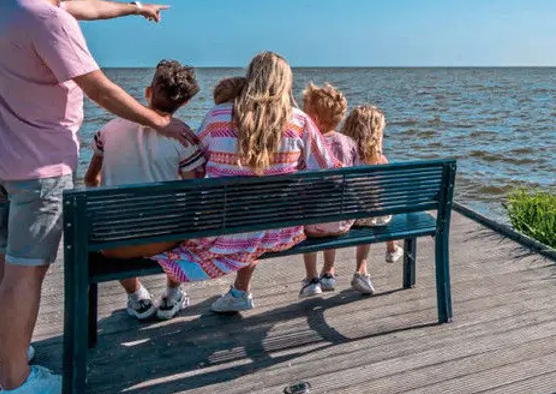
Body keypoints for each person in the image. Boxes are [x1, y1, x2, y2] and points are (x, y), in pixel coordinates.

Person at [0, 0, 197, 394]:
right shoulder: (49, 22)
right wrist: (160, 121)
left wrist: (136, 7)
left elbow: (88, 7)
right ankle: (13, 385)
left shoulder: (0, 7)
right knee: (25, 271)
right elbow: (98, 88)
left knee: (1, 258)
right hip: (37, 166)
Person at [151, 51, 337, 312]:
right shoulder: (299, 121)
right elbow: (329, 170)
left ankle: (173, 294)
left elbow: (197, 164)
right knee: (258, 216)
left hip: (222, 229)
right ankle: (240, 291)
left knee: (223, 216)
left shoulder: (217, 116)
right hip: (281, 231)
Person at [83, 60, 207, 321]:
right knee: (187, 224)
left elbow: (90, 179)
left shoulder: (107, 131)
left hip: (114, 246)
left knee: (110, 223)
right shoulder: (184, 139)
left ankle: (136, 295)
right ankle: (172, 292)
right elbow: (194, 194)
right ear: (184, 104)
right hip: (165, 241)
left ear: (148, 92)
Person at [298, 83, 377, 297]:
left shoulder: (305, 143)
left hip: (313, 226)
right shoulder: (349, 142)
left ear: (312, 118)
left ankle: (312, 278)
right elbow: (359, 178)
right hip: (342, 223)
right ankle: (329, 272)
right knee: (333, 201)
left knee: (312, 210)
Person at [342, 104, 402, 275]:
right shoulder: (380, 159)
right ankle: (392, 248)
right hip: (374, 218)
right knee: (379, 209)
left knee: (367, 210)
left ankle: (362, 270)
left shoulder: (345, 158)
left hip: (348, 219)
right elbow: (387, 193)